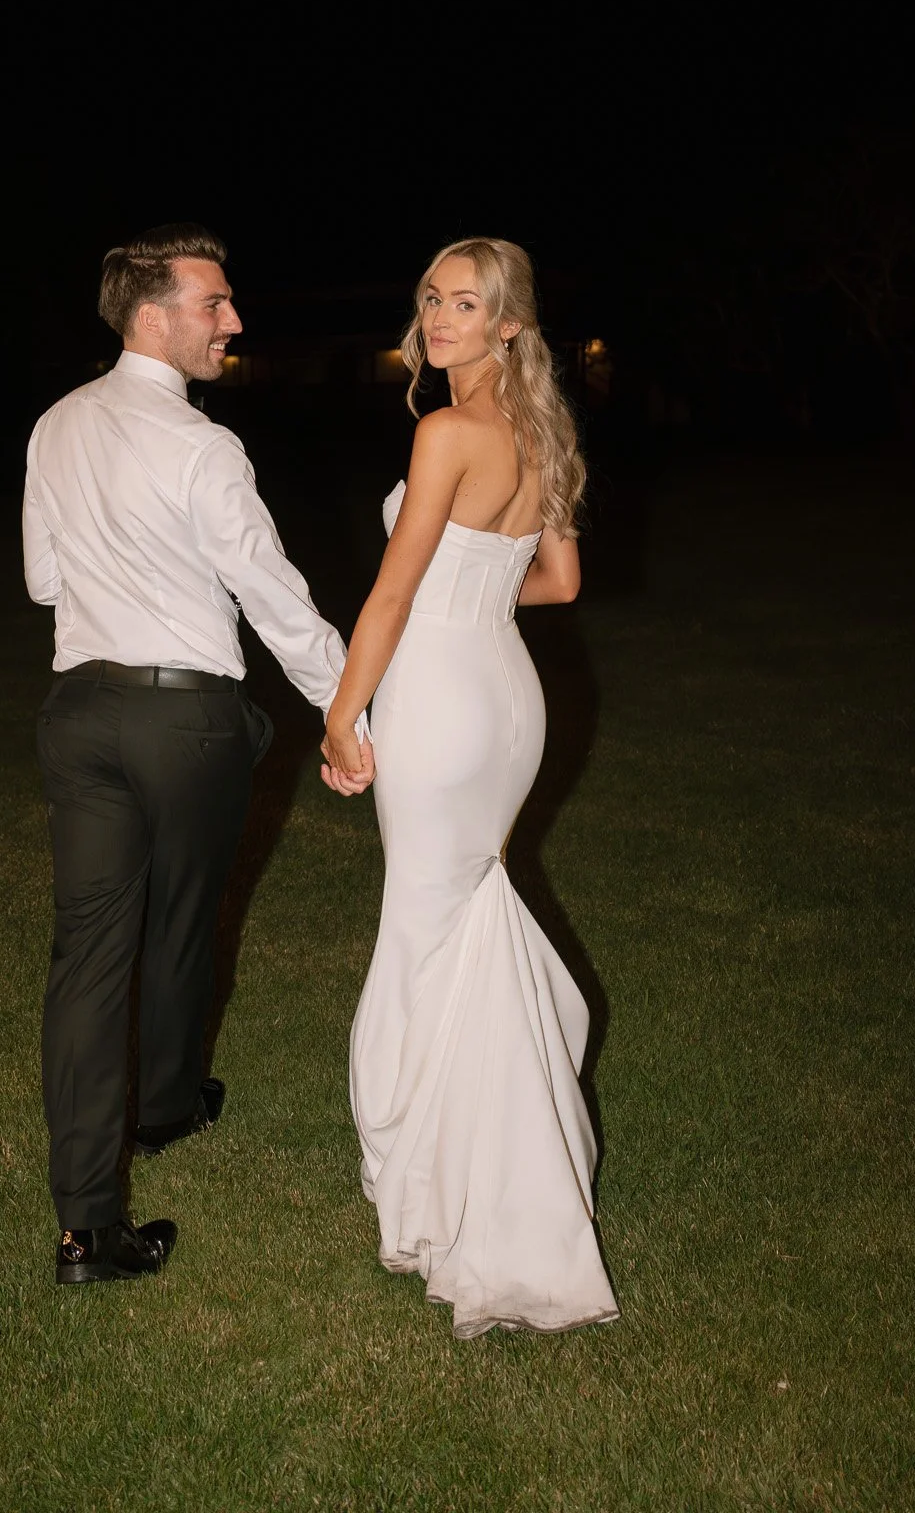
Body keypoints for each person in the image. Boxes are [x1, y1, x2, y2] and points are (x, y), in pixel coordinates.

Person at [23, 223, 373, 1286]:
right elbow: (271, 593)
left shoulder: (55, 423)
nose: (233, 319)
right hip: (183, 720)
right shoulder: (202, 445)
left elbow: (45, 579)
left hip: (79, 715)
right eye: (213, 302)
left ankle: (88, 1227)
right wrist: (348, 708)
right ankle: (166, 1107)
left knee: (88, 959)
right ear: (151, 313)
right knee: (179, 924)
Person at [321, 237, 619, 1337]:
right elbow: (560, 579)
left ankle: (442, 1185)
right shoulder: (539, 430)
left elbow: (392, 598)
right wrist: (478, 598)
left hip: (440, 696)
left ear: (507, 324)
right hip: (507, 697)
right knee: (467, 911)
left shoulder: (445, 430)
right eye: (430, 299)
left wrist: (341, 709)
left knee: (421, 927)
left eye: (464, 303)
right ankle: (487, 1146)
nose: (437, 318)